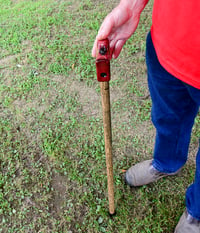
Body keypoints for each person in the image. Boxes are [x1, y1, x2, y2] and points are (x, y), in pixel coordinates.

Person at [92, 0, 200, 232]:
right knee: (167, 117)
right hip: (167, 45)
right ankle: (167, 162)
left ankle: (197, 212)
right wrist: (131, 5)